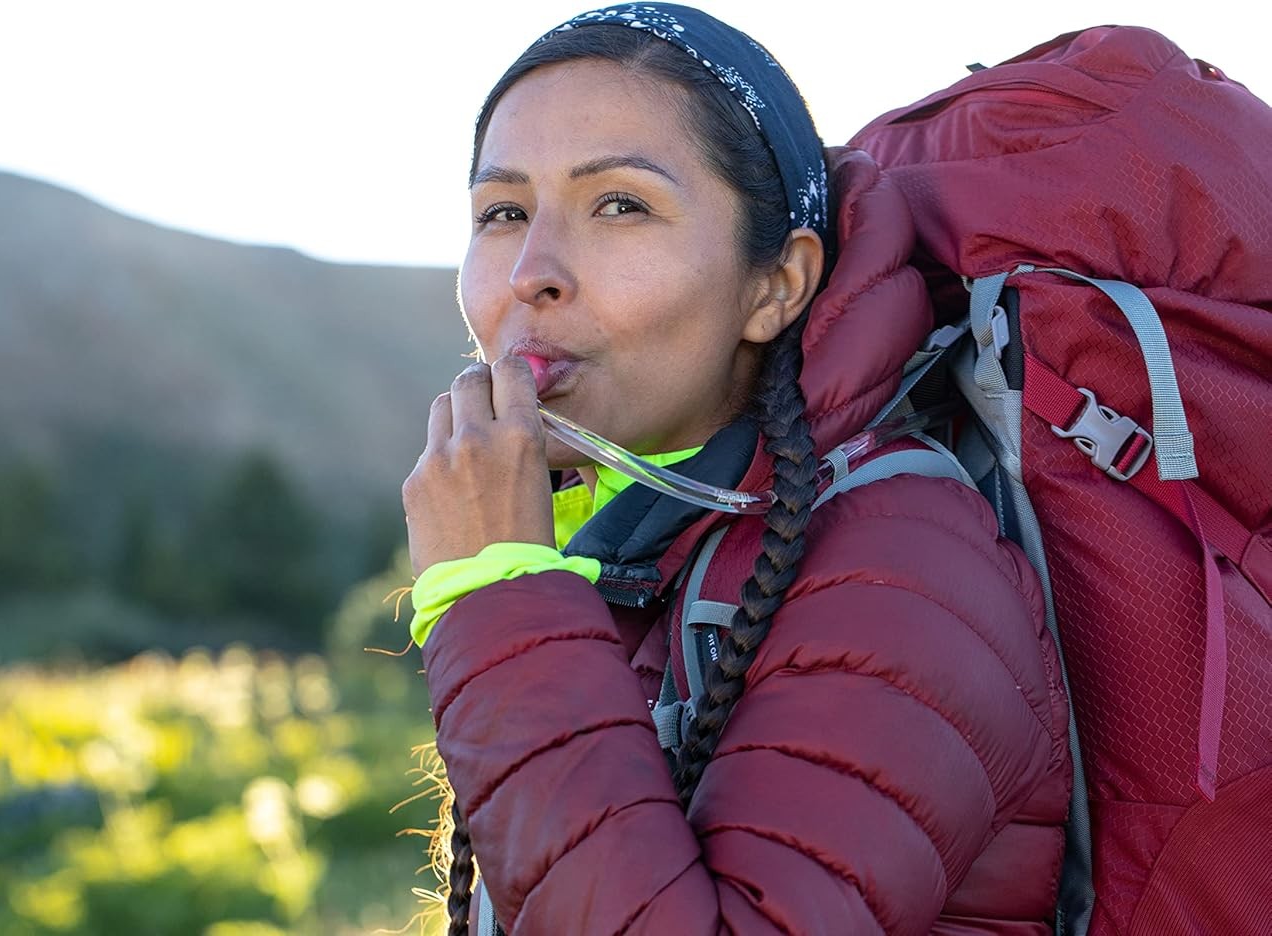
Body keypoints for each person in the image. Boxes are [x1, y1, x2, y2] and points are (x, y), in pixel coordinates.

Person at [400, 5, 1072, 933]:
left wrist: (498, 598)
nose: (531, 272)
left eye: (620, 205)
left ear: (776, 287)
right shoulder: (635, 539)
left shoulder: (902, 573)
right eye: (504, 212)